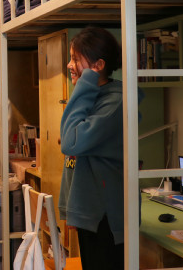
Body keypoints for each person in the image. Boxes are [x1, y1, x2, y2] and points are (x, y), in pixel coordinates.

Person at [58, 26, 130, 270]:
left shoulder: (114, 101)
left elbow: (70, 143)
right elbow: (71, 145)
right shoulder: (91, 95)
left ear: (98, 65)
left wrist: (84, 84)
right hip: (89, 210)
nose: (69, 65)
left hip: (105, 215)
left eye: (75, 59)